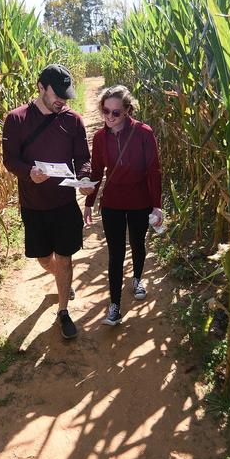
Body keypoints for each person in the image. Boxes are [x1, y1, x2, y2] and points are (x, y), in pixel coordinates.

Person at [2, 64, 91, 339]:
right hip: (34, 205)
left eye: (66, 95)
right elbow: (10, 159)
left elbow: (83, 159)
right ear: (41, 87)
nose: (62, 100)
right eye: (57, 94)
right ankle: (59, 279)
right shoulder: (16, 119)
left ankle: (63, 311)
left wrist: (85, 178)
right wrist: (29, 173)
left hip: (65, 204)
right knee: (44, 259)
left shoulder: (72, 120)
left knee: (65, 259)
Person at [83, 85, 163, 326]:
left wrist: (156, 206)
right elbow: (96, 171)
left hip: (140, 201)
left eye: (115, 113)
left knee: (138, 243)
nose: (109, 117)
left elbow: (153, 171)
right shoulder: (99, 137)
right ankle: (114, 305)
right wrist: (89, 202)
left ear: (127, 110)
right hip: (113, 203)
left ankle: (137, 278)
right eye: (105, 111)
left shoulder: (143, 133)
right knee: (115, 254)